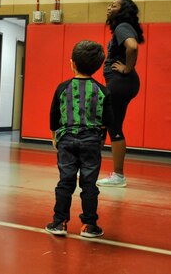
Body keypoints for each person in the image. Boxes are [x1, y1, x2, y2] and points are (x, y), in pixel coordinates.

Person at [45, 40, 113, 239]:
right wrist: (101, 138)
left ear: (72, 63)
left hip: (66, 139)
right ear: (98, 66)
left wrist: (54, 136)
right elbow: (107, 120)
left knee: (65, 181)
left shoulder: (62, 88)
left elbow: (54, 115)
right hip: (92, 141)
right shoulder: (102, 90)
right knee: (89, 183)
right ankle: (89, 225)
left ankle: (59, 222)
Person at [96, 0, 144, 187]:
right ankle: (94, 167)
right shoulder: (123, 27)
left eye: (114, 5)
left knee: (113, 126)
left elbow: (132, 46)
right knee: (105, 124)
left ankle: (119, 176)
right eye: (109, 4)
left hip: (122, 82)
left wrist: (127, 68)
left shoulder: (122, 27)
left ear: (123, 11)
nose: (109, 7)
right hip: (122, 83)